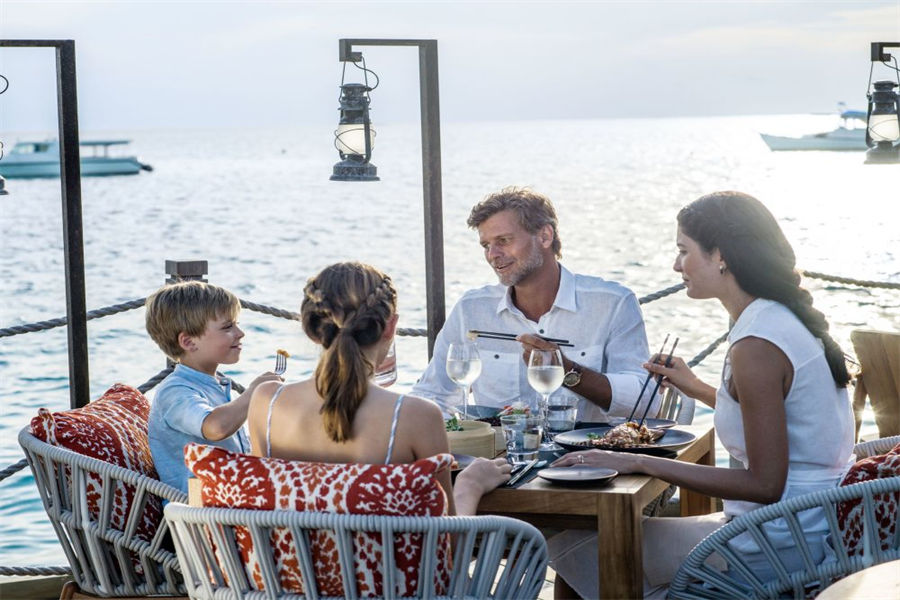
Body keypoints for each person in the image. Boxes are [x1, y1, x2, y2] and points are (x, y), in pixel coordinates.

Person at [549, 191, 855, 598]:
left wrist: (636, 460)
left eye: (683, 251)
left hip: (777, 542)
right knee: (595, 547)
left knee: (575, 543)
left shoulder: (757, 343)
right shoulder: (776, 317)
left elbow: (765, 484)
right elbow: (777, 419)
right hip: (808, 524)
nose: (676, 265)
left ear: (721, 255)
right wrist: (694, 386)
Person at [246, 262, 510, 515]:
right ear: (390, 326)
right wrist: (469, 485)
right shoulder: (416, 416)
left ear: (311, 330)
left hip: (291, 550)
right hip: (384, 551)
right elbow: (447, 541)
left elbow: (265, 505)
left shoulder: (266, 402)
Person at [413, 186, 656, 422]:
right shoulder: (471, 309)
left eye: (503, 240)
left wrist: (567, 371)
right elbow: (433, 395)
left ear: (545, 236)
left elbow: (646, 402)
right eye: (486, 245)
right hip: (496, 450)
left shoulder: (613, 303)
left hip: (588, 449)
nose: (492, 254)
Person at [145, 280, 281, 494]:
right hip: (196, 508)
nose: (240, 333)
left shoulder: (214, 384)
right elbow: (215, 427)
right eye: (228, 327)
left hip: (228, 498)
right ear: (189, 342)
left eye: (236, 324)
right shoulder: (174, 391)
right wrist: (253, 393)